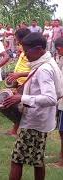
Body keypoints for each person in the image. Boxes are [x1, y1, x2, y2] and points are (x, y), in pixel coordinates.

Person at [4, 32, 63, 180]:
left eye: (26, 51)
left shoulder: (44, 69)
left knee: (16, 160)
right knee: (38, 159)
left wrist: (22, 98)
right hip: (42, 120)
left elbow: (50, 98)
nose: (24, 55)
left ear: (38, 49)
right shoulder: (48, 62)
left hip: (34, 122)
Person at [5, 28, 31, 136]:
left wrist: (19, 74)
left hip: (26, 82)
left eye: (17, 39)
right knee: (18, 107)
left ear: (23, 38)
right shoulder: (24, 49)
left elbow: (35, 71)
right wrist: (15, 74)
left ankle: (18, 131)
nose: (16, 41)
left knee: (20, 108)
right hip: (19, 81)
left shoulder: (31, 51)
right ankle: (14, 131)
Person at [54, 37, 63, 167]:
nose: (57, 51)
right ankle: (61, 155)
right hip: (60, 100)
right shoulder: (60, 59)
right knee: (61, 130)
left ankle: (62, 161)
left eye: (58, 49)